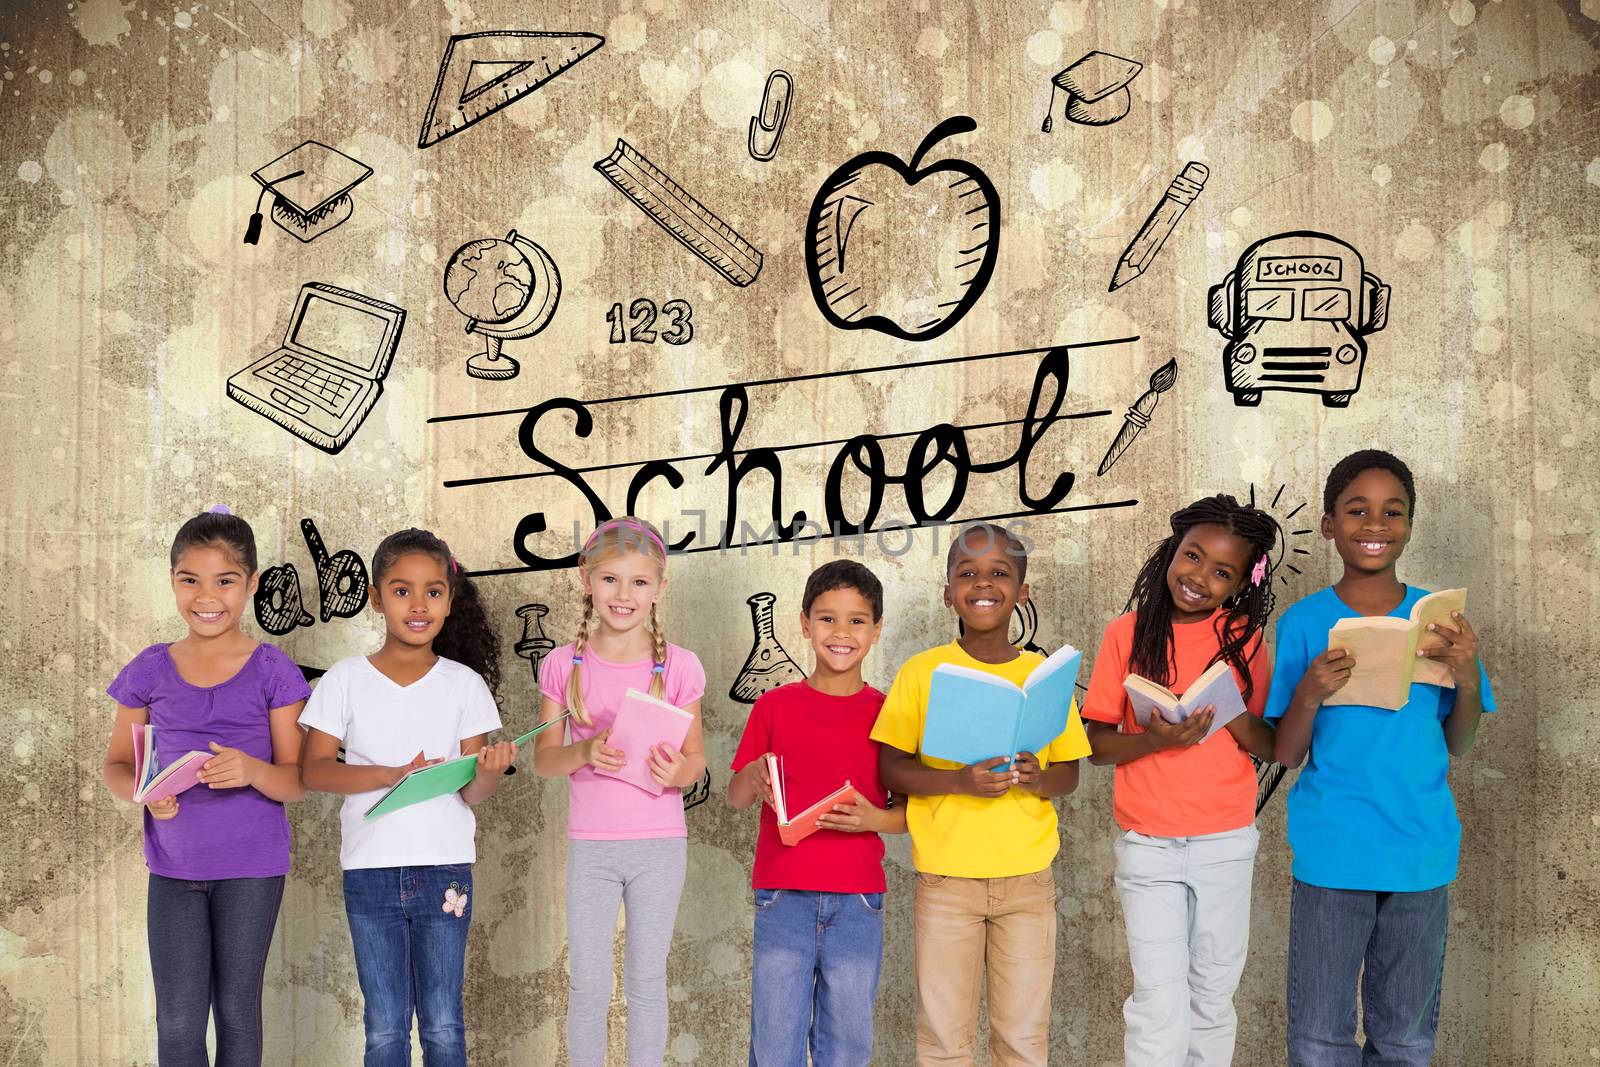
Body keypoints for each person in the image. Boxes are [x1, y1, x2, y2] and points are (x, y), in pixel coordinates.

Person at [1268, 450, 1495, 1066]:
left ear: (1411, 525)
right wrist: (1311, 693)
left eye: (1392, 511)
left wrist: (1467, 674)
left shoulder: (1440, 620)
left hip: (1421, 849)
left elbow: (1460, 741)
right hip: (1333, 849)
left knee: (1405, 1038)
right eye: (1357, 510)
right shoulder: (1303, 622)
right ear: (1328, 525)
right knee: (1319, 1037)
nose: (1375, 524)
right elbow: (1286, 753)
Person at [872, 522, 1093, 1067]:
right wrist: (957, 780)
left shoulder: (1043, 675)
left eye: (1000, 573)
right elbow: (890, 767)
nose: (983, 584)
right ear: (948, 592)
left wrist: (1038, 777)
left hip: (1027, 882)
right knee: (945, 1041)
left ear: (1023, 590)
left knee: (1022, 1039)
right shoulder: (922, 673)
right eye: (967, 574)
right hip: (947, 881)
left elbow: (1069, 773)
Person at [102, 506, 312, 1067]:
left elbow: (295, 780)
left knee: (239, 1013)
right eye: (189, 580)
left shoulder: (273, 670)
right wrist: (143, 792)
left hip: (251, 871)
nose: (206, 595)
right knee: (177, 1022)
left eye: (225, 581)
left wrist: (251, 771)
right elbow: (118, 764)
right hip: (173, 870)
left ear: (250, 586)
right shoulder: (150, 668)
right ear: (172, 581)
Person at [299, 528, 516, 1067]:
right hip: (369, 870)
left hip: (446, 869)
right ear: (376, 597)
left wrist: (490, 769)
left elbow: (473, 790)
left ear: (449, 599)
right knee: (385, 1028)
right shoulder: (345, 680)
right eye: (401, 591)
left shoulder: (465, 685)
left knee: (443, 1023)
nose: (418, 605)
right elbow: (315, 770)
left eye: (433, 592)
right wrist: (392, 773)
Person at [1082, 495, 1280, 1066]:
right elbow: (1095, 745)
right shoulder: (1126, 633)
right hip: (1148, 845)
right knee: (1156, 998)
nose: (1200, 577)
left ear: (1243, 581)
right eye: (1192, 557)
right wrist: (1155, 740)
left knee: (1214, 997)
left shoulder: (1243, 635)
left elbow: (1267, 744)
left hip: (1225, 840)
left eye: (1223, 572)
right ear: (1172, 550)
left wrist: (1225, 709)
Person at [533, 517, 707, 1067]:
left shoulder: (679, 665)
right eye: (610, 580)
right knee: (587, 983)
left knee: (646, 981)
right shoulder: (562, 665)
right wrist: (584, 752)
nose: (623, 595)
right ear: (586, 580)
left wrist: (677, 771)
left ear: (660, 587)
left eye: (638, 582)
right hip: (592, 847)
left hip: (659, 845)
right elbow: (543, 759)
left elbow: (696, 762)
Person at [728, 560, 907, 1066]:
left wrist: (874, 819)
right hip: (782, 897)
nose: (841, 632)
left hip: (859, 902)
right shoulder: (774, 707)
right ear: (804, 624)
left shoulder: (888, 712)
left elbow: (911, 814)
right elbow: (737, 797)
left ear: (876, 631)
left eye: (856, 620)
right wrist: (754, 776)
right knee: (775, 1037)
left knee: (848, 1042)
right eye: (827, 618)